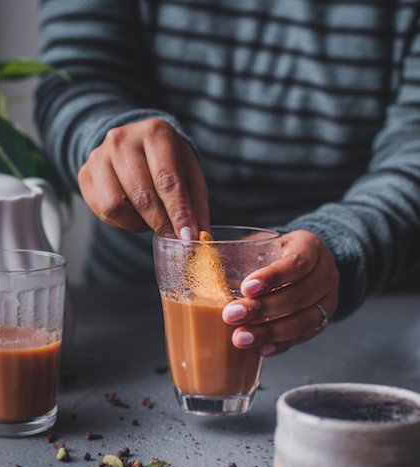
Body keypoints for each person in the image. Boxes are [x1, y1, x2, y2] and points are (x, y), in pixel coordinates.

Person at [35, 1, 420, 358]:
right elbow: (73, 76)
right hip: (130, 311)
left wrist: (342, 246)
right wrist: (106, 135)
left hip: (375, 322)